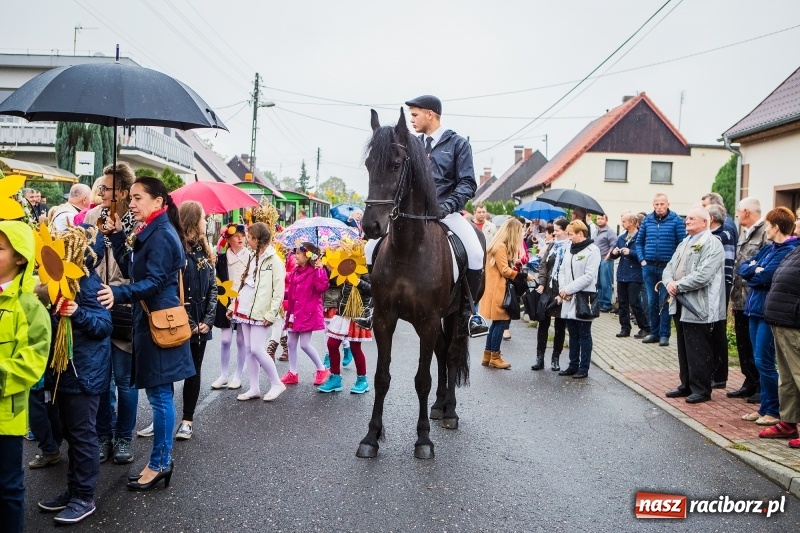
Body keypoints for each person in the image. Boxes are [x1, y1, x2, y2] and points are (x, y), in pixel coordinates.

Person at [97, 176, 195, 491]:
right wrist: (115, 237)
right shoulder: (152, 230)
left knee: (160, 395)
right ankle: (159, 461)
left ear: (158, 201)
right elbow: (133, 270)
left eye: (138, 198)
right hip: (151, 321)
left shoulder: (163, 234)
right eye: (133, 197)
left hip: (159, 323)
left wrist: (117, 293)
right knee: (158, 394)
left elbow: (153, 283)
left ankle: (161, 463)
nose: (132, 203)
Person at [37, 226, 112, 525]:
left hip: (85, 372)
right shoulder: (56, 282)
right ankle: (73, 490)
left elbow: (103, 326)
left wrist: (76, 312)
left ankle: (84, 496)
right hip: (62, 371)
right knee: (69, 432)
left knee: (82, 435)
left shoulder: (90, 283)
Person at [404, 94, 487, 337]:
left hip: (446, 214)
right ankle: (371, 305)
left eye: (415, 114)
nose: (412, 120)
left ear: (430, 114)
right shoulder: (413, 145)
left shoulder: (458, 144)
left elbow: (467, 183)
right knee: (373, 246)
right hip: (413, 216)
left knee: (475, 252)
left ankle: (468, 312)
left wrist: (446, 206)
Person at [85, 162, 139, 465]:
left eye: (106, 188)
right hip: (94, 305)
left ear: (121, 191)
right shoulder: (92, 216)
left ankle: (123, 437)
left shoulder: (136, 222)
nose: (101, 192)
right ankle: (103, 434)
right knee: (99, 378)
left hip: (123, 306)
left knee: (124, 379)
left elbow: (138, 269)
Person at [0, 220, 51, 533]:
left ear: (20, 257)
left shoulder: (30, 306)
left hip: (6, 415)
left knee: (7, 487)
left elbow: (32, 362)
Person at [739, 207, 800, 426]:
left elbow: (766, 276)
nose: (766, 228)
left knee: (764, 361)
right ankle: (764, 407)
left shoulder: (788, 249)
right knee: (758, 360)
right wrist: (755, 269)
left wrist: (756, 270)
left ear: (776, 227)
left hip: (769, 312)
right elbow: (744, 268)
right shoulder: (770, 248)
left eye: (768, 225)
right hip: (755, 308)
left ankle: (773, 410)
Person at [663, 208, 726, 404]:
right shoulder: (684, 242)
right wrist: (668, 283)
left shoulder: (712, 244)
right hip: (679, 300)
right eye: (687, 217)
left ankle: (701, 389)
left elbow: (703, 275)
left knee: (698, 348)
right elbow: (669, 268)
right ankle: (687, 384)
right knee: (683, 346)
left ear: (705, 222)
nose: (686, 221)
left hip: (699, 304)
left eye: (691, 218)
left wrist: (678, 285)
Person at [227, 222, 287, 402]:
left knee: (257, 348)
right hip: (244, 308)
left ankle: (277, 383)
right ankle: (254, 388)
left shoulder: (275, 261)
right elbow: (245, 283)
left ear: (257, 239)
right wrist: (233, 306)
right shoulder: (254, 257)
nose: (246, 240)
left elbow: (279, 291)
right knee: (248, 349)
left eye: (249, 237)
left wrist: (271, 314)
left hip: (261, 312)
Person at [175, 201, 217, 440]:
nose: (206, 222)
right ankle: (164, 416)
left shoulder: (205, 249)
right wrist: (189, 322)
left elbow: (213, 287)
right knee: (169, 372)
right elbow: (173, 289)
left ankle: (187, 420)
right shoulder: (177, 249)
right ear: (193, 220)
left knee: (194, 371)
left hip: (202, 322)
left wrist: (208, 319)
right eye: (203, 217)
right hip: (179, 321)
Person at [728, 197, 768, 403]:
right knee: (743, 343)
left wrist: (749, 270)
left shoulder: (765, 233)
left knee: (754, 345)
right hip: (739, 298)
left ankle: (761, 385)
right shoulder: (746, 232)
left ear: (747, 211)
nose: (736, 213)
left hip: (752, 297)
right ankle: (749, 381)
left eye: (739, 210)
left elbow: (761, 265)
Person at [762, 241, 800, 446]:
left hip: (795, 322)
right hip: (783, 321)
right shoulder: (796, 249)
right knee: (787, 378)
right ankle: (789, 422)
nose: (797, 222)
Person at [636, 193, 686, 347]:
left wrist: (674, 265)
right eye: (656, 204)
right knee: (651, 302)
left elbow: (682, 244)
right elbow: (639, 242)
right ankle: (654, 332)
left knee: (664, 301)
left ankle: (664, 334)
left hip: (667, 267)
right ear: (653, 205)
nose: (659, 207)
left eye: (662, 204)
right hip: (649, 266)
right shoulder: (647, 221)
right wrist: (642, 260)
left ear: (668, 204)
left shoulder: (676, 221)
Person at [479, 218, 527, 370]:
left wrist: (514, 261)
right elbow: (504, 270)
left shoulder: (497, 245)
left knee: (496, 324)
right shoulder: (500, 247)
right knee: (501, 323)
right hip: (498, 291)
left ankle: (488, 355)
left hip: (494, 290)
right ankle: (495, 356)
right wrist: (523, 276)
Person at [556, 220, 601, 379]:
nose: (569, 238)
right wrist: (563, 290)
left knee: (584, 333)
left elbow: (589, 276)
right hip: (568, 296)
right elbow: (562, 270)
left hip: (584, 296)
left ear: (580, 233)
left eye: (571, 234)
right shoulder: (569, 249)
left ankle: (584, 367)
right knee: (572, 333)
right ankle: (572, 364)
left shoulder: (593, 250)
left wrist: (568, 289)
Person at [281, 242, 330, 386]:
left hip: (307, 312)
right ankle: (293, 373)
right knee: (290, 343)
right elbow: (292, 291)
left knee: (305, 344)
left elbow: (322, 287)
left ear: (307, 255)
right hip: (294, 312)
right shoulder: (296, 271)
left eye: (297, 253)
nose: (294, 256)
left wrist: (320, 270)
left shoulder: (315, 271)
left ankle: (322, 369)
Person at [318, 270, 372, 394]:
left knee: (355, 347)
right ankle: (335, 378)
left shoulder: (364, 267)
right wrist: (327, 268)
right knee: (332, 344)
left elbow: (372, 290)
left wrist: (357, 281)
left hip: (358, 312)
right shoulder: (343, 265)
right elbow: (333, 282)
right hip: (342, 310)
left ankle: (362, 380)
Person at [211, 224, 251, 390]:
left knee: (241, 340)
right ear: (228, 239)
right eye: (236, 235)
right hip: (225, 300)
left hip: (243, 301)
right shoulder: (221, 258)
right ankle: (223, 374)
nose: (240, 238)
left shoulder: (251, 257)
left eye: (243, 235)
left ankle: (238, 375)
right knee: (226, 340)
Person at [533, 217, 569, 371]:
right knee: (543, 324)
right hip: (547, 290)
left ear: (566, 231)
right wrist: (541, 283)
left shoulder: (571, 247)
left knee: (560, 326)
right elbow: (543, 265)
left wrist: (565, 291)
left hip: (562, 291)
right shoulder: (552, 246)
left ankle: (556, 358)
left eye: (557, 230)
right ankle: (540, 358)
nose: (554, 233)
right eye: (553, 230)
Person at [707, 203, 736, 389]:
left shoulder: (722, 235)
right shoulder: (712, 235)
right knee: (712, 329)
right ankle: (714, 372)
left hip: (720, 286)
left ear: (710, 219)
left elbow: (726, 265)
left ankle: (719, 375)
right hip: (713, 286)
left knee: (718, 328)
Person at [609, 212, 649, 339]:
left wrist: (631, 252)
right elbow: (613, 254)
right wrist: (614, 253)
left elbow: (644, 254)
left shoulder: (641, 237)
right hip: (622, 273)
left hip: (635, 274)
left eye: (624, 221)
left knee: (634, 302)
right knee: (622, 303)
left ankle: (644, 327)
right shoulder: (622, 237)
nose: (622, 224)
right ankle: (625, 328)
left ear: (632, 222)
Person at [594, 214, 617, 312]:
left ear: (606, 220)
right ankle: (599, 302)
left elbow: (614, 244)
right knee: (598, 282)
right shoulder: (596, 231)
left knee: (605, 282)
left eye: (601, 219)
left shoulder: (610, 231)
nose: (599, 220)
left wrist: (608, 256)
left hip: (605, 260)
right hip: (596, 260)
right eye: (598, 219)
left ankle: (606, 304)